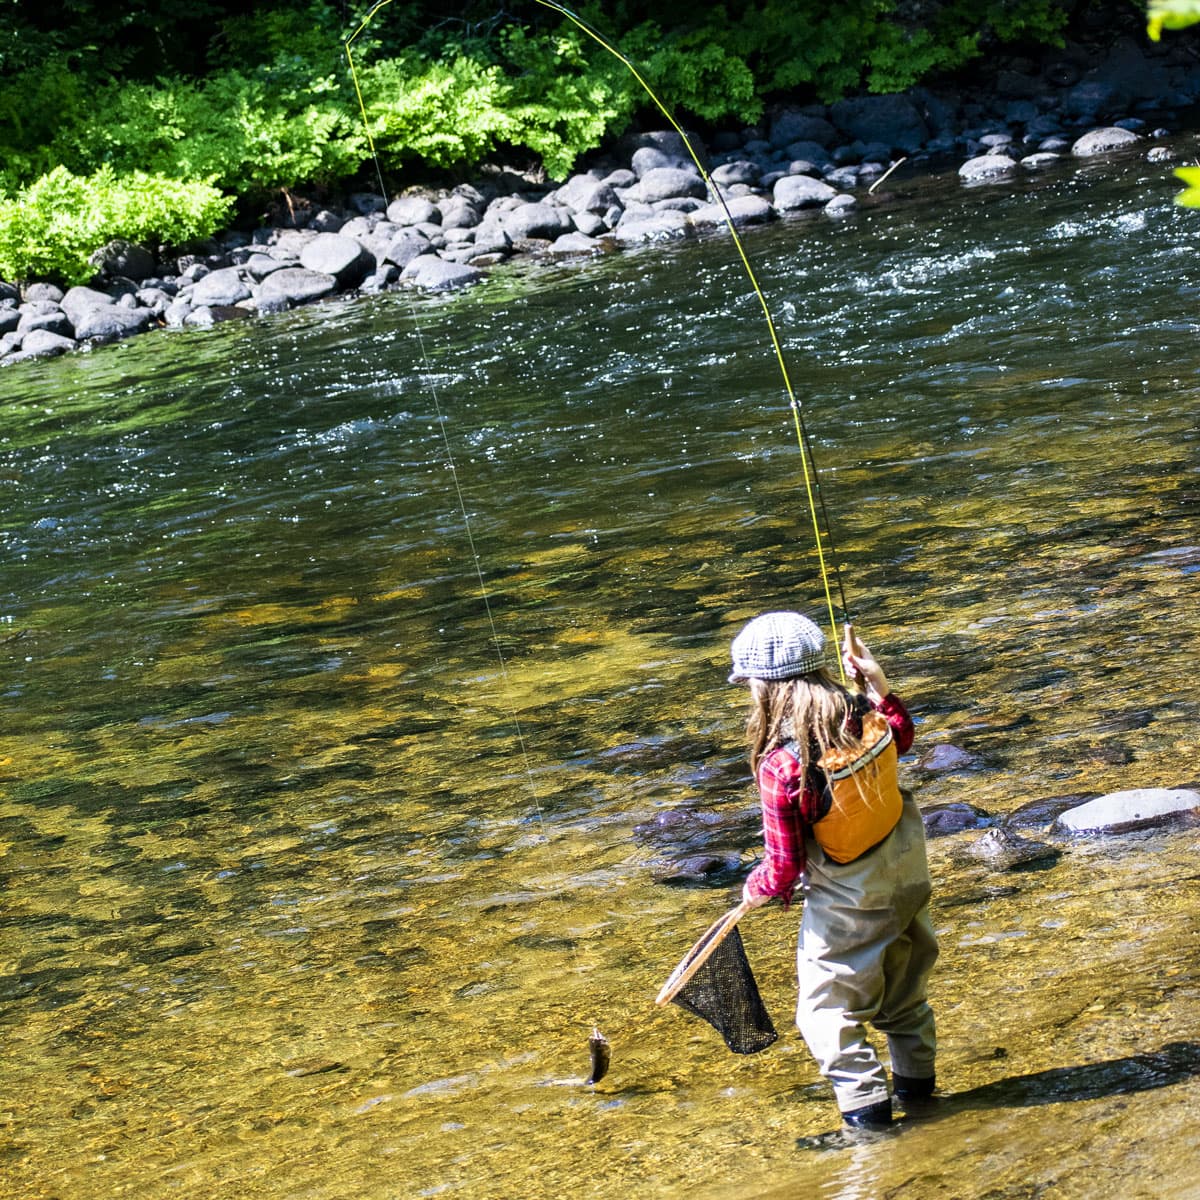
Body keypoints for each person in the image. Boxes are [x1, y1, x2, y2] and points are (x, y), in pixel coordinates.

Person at [730, 610, 938, 1131]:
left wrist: (754, 889)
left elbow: (783, 868)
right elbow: (903, 737)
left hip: (852, 902)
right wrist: (879, 685)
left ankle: (871, 1134)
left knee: (826, 1018)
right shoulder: (867, 713)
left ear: (763, 687)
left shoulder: (783, 766)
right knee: (903, 996)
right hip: (907, 877)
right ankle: (925, 1104)